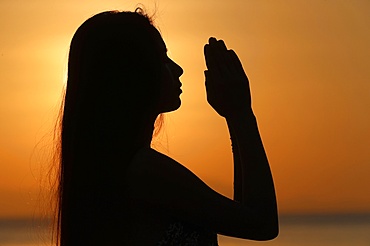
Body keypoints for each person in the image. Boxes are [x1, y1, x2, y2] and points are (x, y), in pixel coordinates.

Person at [54, 8, 278, 246]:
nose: (177, 69)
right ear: (132, 76)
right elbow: (261, 223)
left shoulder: (111, 170)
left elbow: (243, 211)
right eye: (162, 59)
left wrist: (236, 115)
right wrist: (240, 114)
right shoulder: (145, 172)